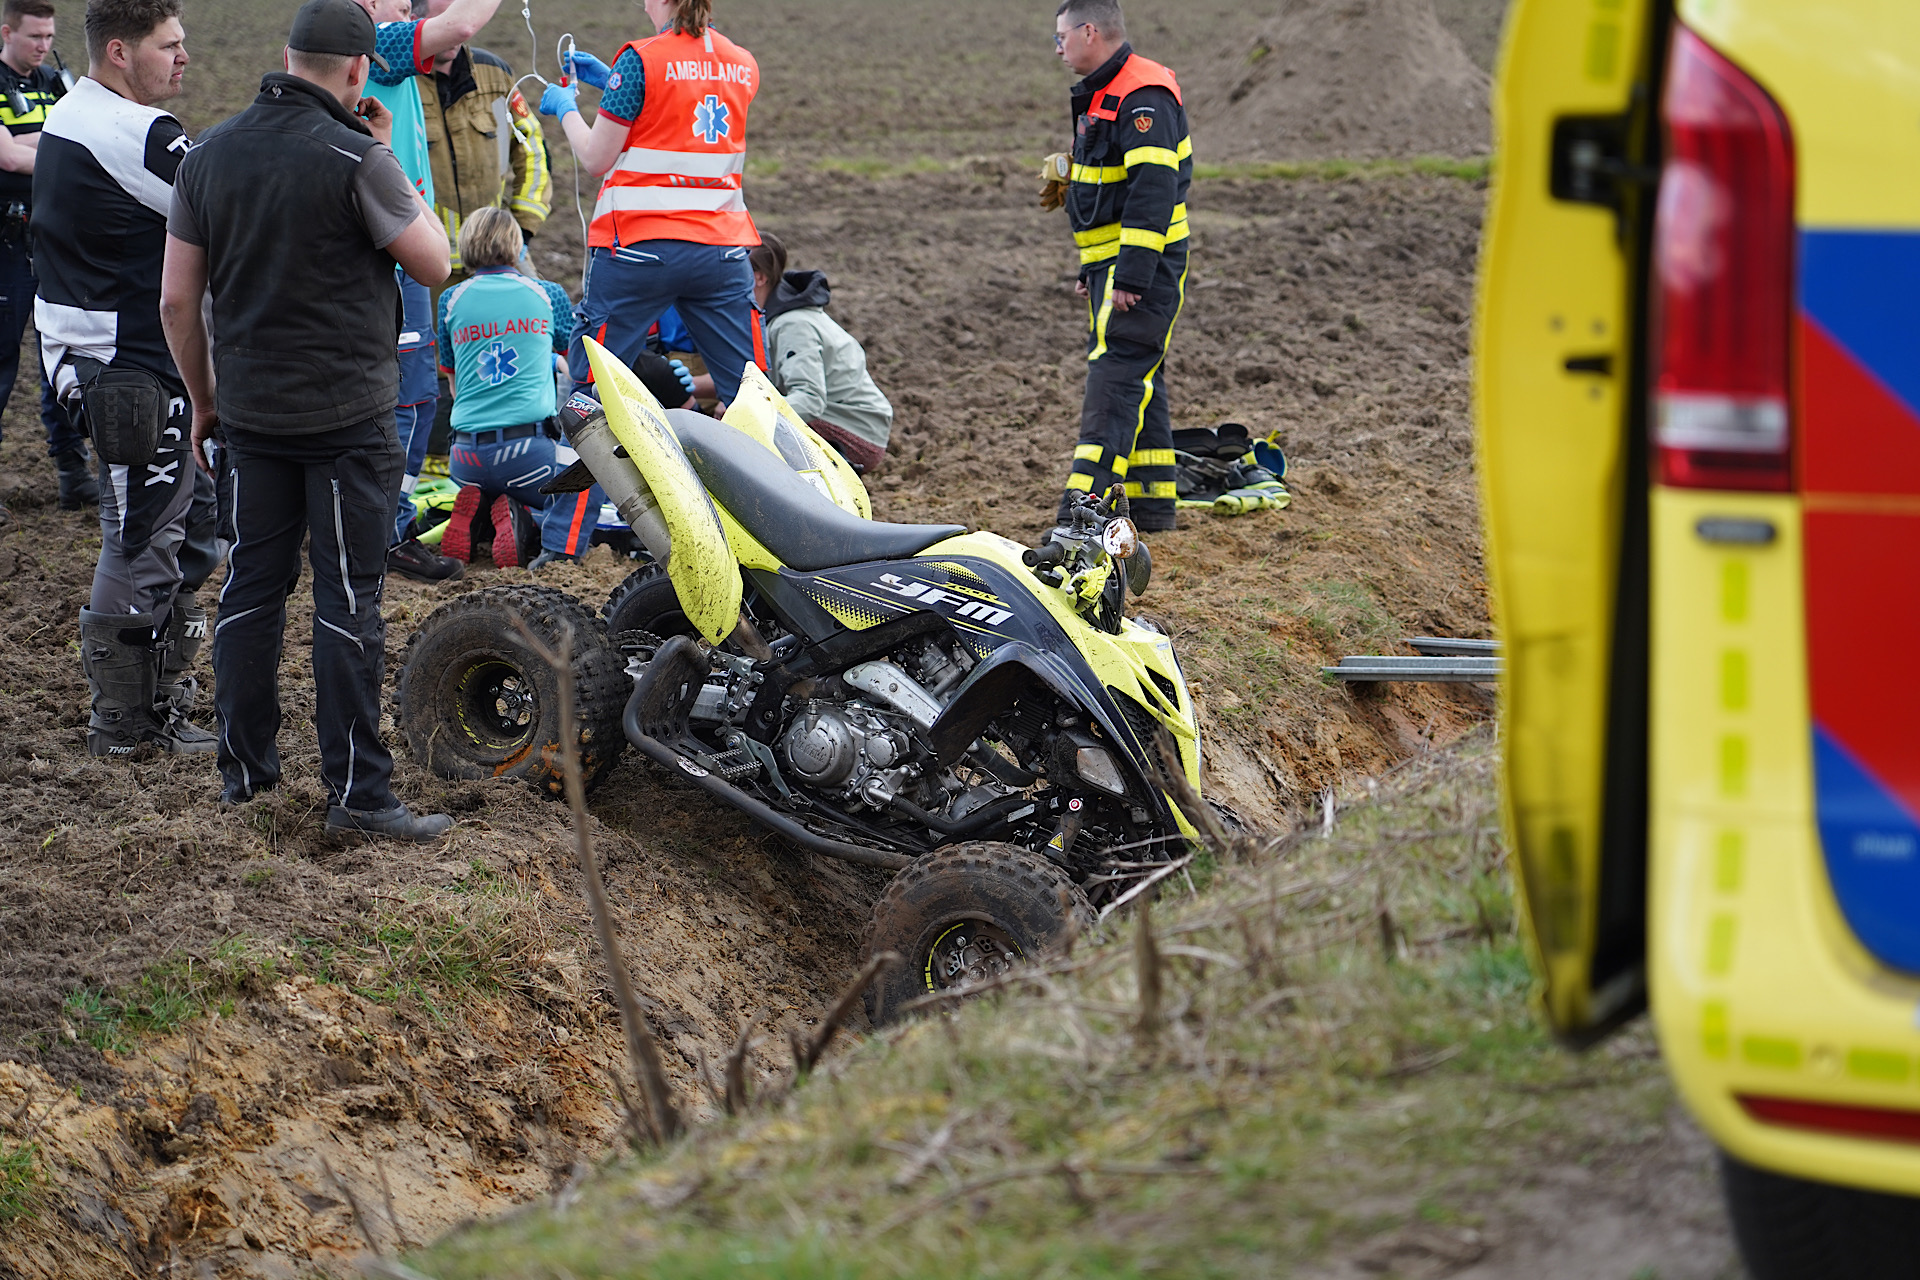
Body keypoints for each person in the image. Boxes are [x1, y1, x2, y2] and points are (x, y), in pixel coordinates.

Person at [161, 0, 455, 840]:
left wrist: (206, 400)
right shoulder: (357, 156)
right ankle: (358, 796)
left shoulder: (206, 154)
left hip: (249, 415)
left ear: (287, 57)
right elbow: (432, 263)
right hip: (346, 418)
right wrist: (390, 159)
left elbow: (178, 300)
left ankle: (244, 778)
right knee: (347, 599)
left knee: (252, 586)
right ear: (360, 72)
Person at [34, 0, 216, 756]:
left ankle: (159, 697)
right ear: (119, 50)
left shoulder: (70, 109)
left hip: (108, 356)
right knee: (140, 534)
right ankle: (124, 722)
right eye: (168, 45)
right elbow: (223, 207)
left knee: (194, 528)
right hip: (125, 367)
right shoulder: (134, 133)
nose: (184, 59)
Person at [538, 0, 765, 410]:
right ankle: (769, 471)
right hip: (723, 252)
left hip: (639, 250)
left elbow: (595, 158)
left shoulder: (640, 59)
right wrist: (612, 83)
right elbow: (680, 116)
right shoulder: (742, 64)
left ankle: (596, 475)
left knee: (595, 389)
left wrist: (566, 108)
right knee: (752, 394)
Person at [354, 0, 509, 583]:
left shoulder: (378, 55)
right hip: (396, 247)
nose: (409, 9)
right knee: (409, 396)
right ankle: (384, 533)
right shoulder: (382, 43)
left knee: (410, 393)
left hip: (404, 234)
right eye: (398, 1)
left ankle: (377, 525)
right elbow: (462, 25)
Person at [1045, 0, 1190, 532]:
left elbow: (1154, 190)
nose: (1057, 48)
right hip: (1116, 261)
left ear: (1089, 32)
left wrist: (1130, 275)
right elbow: (1112, 192)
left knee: (1117, 373)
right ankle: (1151, 507)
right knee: (1137, 373)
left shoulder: (1141, 93)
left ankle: (1081, 514)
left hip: (1142, 265)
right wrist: (1094, 268)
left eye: (1061, 37)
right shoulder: (1106, 91)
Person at [433, 206, 605, 571]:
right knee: (594, 473)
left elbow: (452, 383)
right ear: (516, 245)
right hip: (527, 453)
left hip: (464, 458)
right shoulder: (548, 294)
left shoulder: (450, 300)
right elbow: (569, 362)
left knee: (486, 482)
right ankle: (525, 519)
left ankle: (479, 513)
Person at [0, 0, 95, 511]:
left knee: (60, 356)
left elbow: (73, 137)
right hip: (7, 242)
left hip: (55, 239)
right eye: (33, 36)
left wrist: (32, 141)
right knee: (0, 359)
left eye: (48, 36)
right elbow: (7, 156)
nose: (42, 45)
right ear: (6, 31)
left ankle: (72, 470)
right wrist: (59, 149)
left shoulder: (58, 80)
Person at [414, 0, 549, 273]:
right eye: (444, 23)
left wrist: (522, 230)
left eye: (459, 18)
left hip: (499, 253)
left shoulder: (494, 75)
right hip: (428, 264)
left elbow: (531, 146)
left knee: (541, 309)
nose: (456, 31)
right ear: (413, 23)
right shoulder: (400, 84)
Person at [749, 232, 893, 473]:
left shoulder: (791, 324)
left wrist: (752, 415)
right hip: (848, 421)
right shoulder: (773, 318)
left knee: (748, 440)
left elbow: (810, 397)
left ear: (759, 277)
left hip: (855, 433)